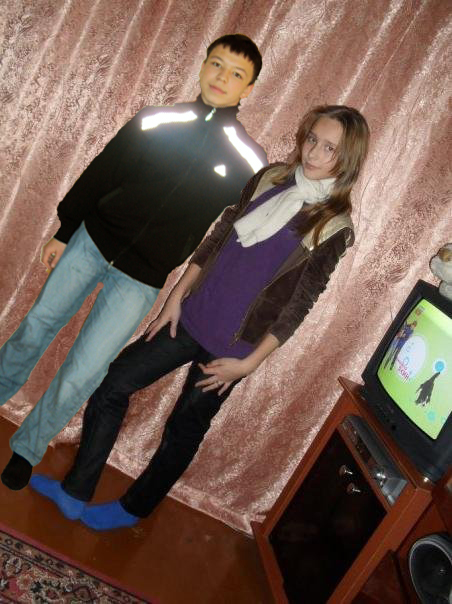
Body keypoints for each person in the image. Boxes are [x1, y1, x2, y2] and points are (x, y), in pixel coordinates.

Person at [30, 104, 370, 531]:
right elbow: (219, 235)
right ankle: (76, 490)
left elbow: (300, 304)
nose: (314, 153)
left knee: (183, 428)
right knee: (115, 382)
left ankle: (133, 509)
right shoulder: (269, 178)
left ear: (348, 159)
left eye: (330, 149)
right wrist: (176, 297)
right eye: (312, 139)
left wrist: (249, 364)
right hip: (191, 316)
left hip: (234, 349)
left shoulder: (334, 226)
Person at [0, 34, 267, 491]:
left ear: (249, 89)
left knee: (85, 369)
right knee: (36, 326)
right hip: (91, 241)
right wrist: (65, 230)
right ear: (203, 65)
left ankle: (28, 447)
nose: (222, 77)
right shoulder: (156, 120)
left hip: (142, 278)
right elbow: (104, 170)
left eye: (236, 73)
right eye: (216, 64)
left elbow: (235, 232)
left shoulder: (248, 160)